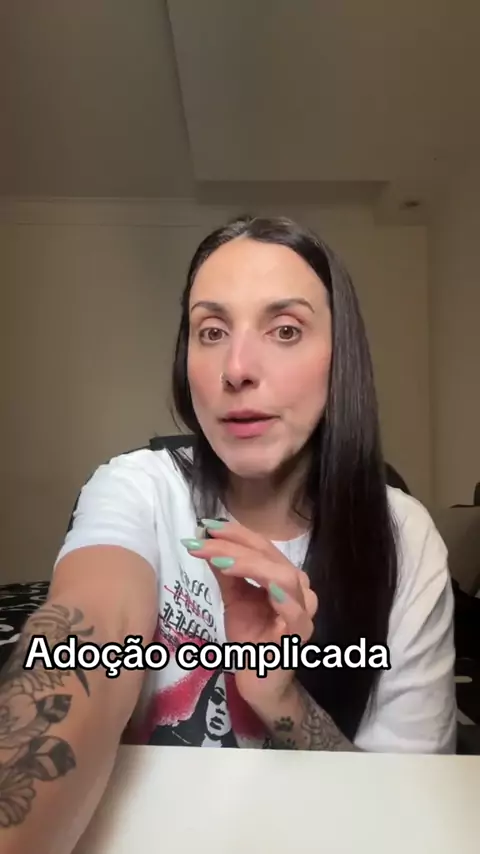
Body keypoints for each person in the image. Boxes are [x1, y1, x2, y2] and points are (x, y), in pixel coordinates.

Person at [0, 216, 456, 854]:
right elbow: (90, 626)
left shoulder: (403, 536)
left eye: (286, 330)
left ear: (340, 358)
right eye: (211, 331)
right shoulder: (138, 487)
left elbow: (404, 814)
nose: (236, 368)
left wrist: (280, 694)